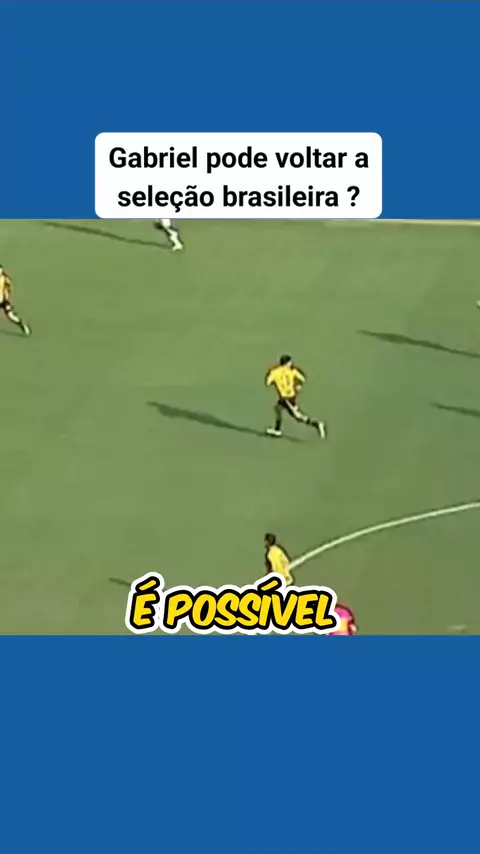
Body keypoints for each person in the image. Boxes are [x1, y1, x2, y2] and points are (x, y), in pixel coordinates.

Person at [265, 355, 326, 438]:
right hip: (291, 396)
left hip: (285, 398)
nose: (291, 363)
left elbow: (267, 383)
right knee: (277, 409)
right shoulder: (292, 371)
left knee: (298, 417)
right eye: (290, 362)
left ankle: (317, 424)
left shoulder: (274, 372)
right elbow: (303, 379)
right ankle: (277, 430)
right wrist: (298, 385)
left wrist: (273, 379)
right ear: (287, 363)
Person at [0, 265, 30, 335]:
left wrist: (7, 296)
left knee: (11, 316)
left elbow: (9, 289)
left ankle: (22, 324)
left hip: (4, 301)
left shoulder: (5, 279)